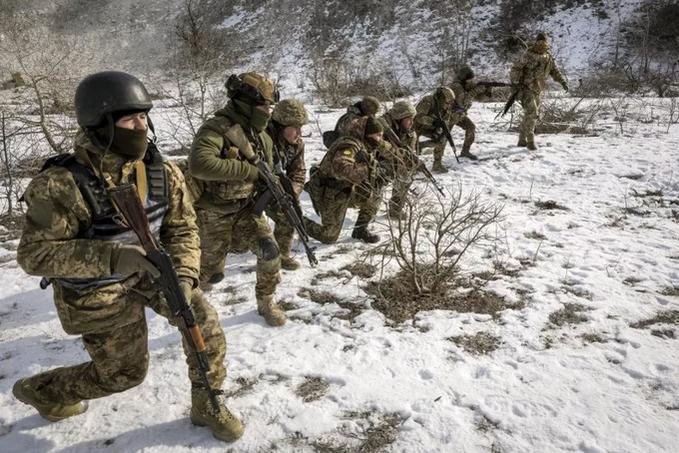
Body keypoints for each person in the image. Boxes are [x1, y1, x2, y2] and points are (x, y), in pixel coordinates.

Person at [13, 71, 243, 442]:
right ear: (101, 125)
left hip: (152, 272)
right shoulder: (61, 184)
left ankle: (208, 400)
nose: (141, 126)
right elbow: (34, 254)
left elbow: (182, 229)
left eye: (144, 117)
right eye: (130, 119)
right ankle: (44, 392)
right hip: (95, 290)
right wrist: (114, 256)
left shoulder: (162, 171)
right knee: (123, 375)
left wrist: (185, 276)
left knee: (202, 322)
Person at [187, 72, 286, 327]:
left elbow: (267, 173)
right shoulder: (216, 129)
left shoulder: (262, 137)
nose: (268, 112)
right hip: (213, 212)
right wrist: (248, 171)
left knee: (270, 252)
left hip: (246, 210)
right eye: (264, 106)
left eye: (270, 107)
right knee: (206, 272)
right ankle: (193, 303)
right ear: (246, 103)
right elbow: (200, 164)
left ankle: (266, 302)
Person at [303, 116, 387, 244]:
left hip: (346, 189)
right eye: (378, 135)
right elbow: (341, 168)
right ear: (367, 134)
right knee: (329, 236)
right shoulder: (349, 145)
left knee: (376, 192)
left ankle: (360, 229)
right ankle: (297, 220)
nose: (380, 139)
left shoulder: (365, 145)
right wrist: (367, 169)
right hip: (330, 192)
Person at [264, 98, 309, 270]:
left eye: (301, 128)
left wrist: (292, 192)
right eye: (295, 128)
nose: (299, 133)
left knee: (289, 213)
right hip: (249, 190)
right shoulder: (261, 139)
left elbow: (298, 172)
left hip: (275, 190)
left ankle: (282, 255)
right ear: (281, 125)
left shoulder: (297, 144)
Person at [510, 32, 568, 150]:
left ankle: (522, 139)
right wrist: (515, 82)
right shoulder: (528, 55)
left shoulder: (548, 57)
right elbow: (516, 68)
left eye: (543, 42)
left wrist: (563, 82)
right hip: (526, 88)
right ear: (536, 42)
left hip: (538, 89)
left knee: (530, 114)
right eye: (539, 42)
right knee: (532, 112)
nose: (541, 44)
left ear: (546, 43)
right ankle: (530, 141)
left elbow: (555, 71)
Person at [379, 100, 418, 218]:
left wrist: (412, 162)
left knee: (406, 172)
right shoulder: (380, 125)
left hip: (391, 160)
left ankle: (395, 209)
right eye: (408, 119)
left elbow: (409, 154)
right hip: (371, 160)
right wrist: (397, 154)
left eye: (412, 119)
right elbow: (376, 147)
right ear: (399, 118)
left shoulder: (410, 133)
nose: (411, 122)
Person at [449, 65, 493, 160]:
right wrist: (476, 90)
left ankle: (465, 151)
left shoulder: (466, 86)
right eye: (470, 79)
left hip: (459, 115)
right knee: (442, 137)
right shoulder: (456, 87)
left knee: (471, 127)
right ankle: (430, 154)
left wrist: (487, 91)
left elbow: (480, 99)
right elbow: (462, 102)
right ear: (464, 78)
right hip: (449, 115)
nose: (471, 81)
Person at [414, 86, 461, 173]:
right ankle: (412, 164)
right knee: (411, 143)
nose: (448, 105)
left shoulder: (446, 107)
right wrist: (433, 122)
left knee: (442, 139)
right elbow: (417, 117)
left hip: (430, 128)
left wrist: (441, 130)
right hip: (416, 127)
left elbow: (445, 121)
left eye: (450, 103)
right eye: (447, 102)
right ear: (441, 98)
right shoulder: (428, 101)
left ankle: (437, 164)